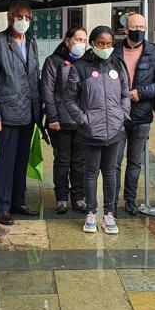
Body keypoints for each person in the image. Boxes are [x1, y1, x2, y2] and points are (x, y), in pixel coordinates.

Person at [64, 25, 130, 234]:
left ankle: (109, 214)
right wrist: (83, 119)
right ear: (92, 43)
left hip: (115, 130)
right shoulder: (80, 67)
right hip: (90, 130)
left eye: (109, 44)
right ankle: (91, 213)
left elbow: (125, 94)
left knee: (110, 172)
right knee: (91, 173)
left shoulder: (117, 64)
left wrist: (123, 114)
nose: (105, 47)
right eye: (101, 43)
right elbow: (69, 98)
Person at [0, 1, 42, 225]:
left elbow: (34, 76)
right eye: (19, 17)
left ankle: (19, 201)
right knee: (6, 162)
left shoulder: (32, 42)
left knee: (21, 160)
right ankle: (3, 207)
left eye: (27, 17)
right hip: (7, 113)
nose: (23, 21)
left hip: (29, 111)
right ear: (10, 18)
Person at [114, 14, 155, 215]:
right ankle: (111, 201)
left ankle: (129, 200)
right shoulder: (114, 52)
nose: (138, 30)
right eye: (134, 26)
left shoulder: (153, 53)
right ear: (125, 30)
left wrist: (142, 93)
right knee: (114, 161)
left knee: (134, 162)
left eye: (142, 26)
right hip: (116, 115)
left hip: (141, 115)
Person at [41, 25, 88, 214]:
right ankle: (61, 197)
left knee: (80, 162)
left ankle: (78, 197)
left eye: (84, 40)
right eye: (77, 39)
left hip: (81, 121)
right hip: (59, 121)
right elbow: (47, 90)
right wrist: (52, 116)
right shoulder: (53, 61)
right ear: (67, 40)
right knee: (62, 160)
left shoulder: (86, 61)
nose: (81, 44)